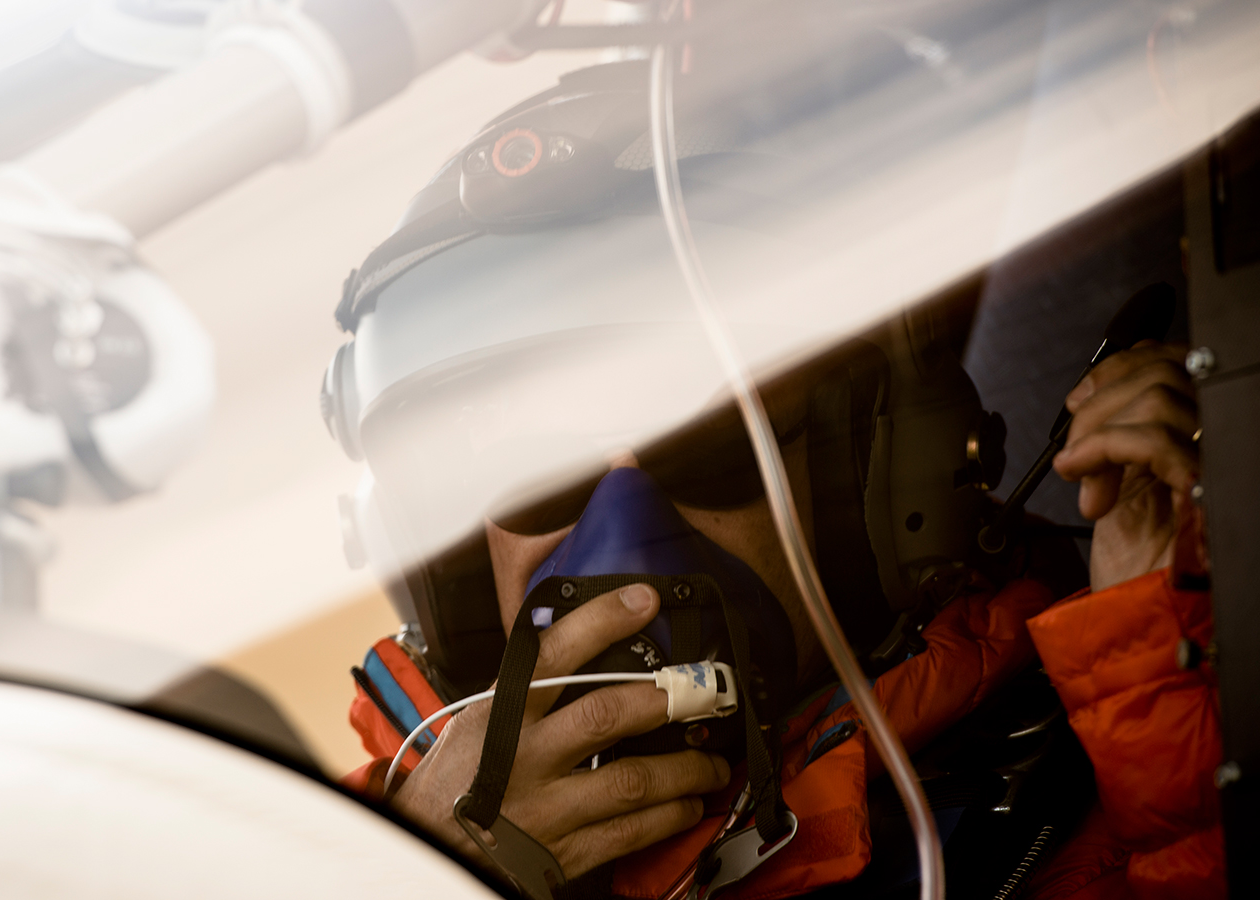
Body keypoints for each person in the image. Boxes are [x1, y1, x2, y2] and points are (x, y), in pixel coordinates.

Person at [320, 60, 1223, 899]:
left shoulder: (1115, 764)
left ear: (872, 482)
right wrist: (419, 870)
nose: (624, 531)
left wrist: (1167, 725)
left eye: (708, 438)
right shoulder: (291, 842)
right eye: (535, 474)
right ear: (450, 569)